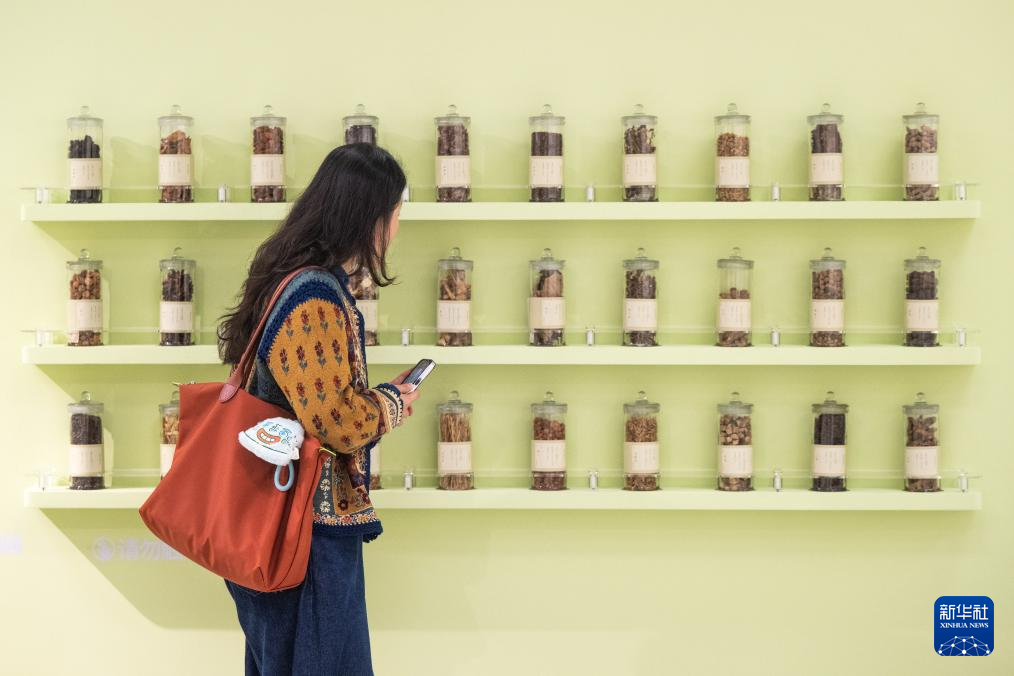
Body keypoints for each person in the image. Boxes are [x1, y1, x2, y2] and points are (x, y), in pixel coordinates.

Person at [217, 143, 418, 676]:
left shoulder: (292, 281)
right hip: (305, 531)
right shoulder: (313, 297)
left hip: (276, 523)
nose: (398, 226)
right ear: (371, 216)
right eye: (396, 212)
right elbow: (337, 422)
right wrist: (393, 403)